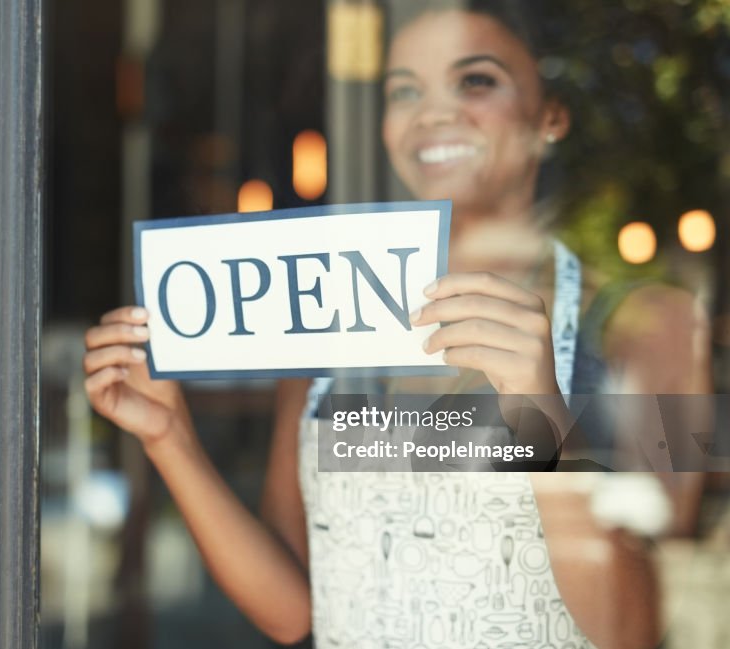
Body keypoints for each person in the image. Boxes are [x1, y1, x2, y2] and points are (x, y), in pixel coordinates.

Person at [82, 1, 710, 647]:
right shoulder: (328, 317)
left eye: (476, 79)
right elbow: (295, 608)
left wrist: (539, 414)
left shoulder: (654, 326)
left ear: (551, 115)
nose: (434, 111)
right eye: (404, 89)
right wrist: (169, 438)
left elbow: (642, 627)